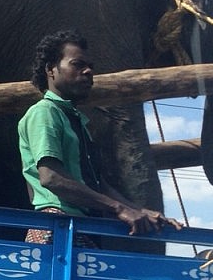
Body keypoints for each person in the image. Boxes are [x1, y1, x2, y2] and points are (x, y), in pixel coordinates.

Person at [18, 31, 182, 244]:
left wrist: (140, 210)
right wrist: (119, 208)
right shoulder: (44, 112)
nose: (88, 71)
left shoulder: (76, 121)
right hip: (55, 227)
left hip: (77, 225)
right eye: (77, 64)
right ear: (51, 69)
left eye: (90, 67)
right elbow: (51, 177)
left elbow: (96, 183)